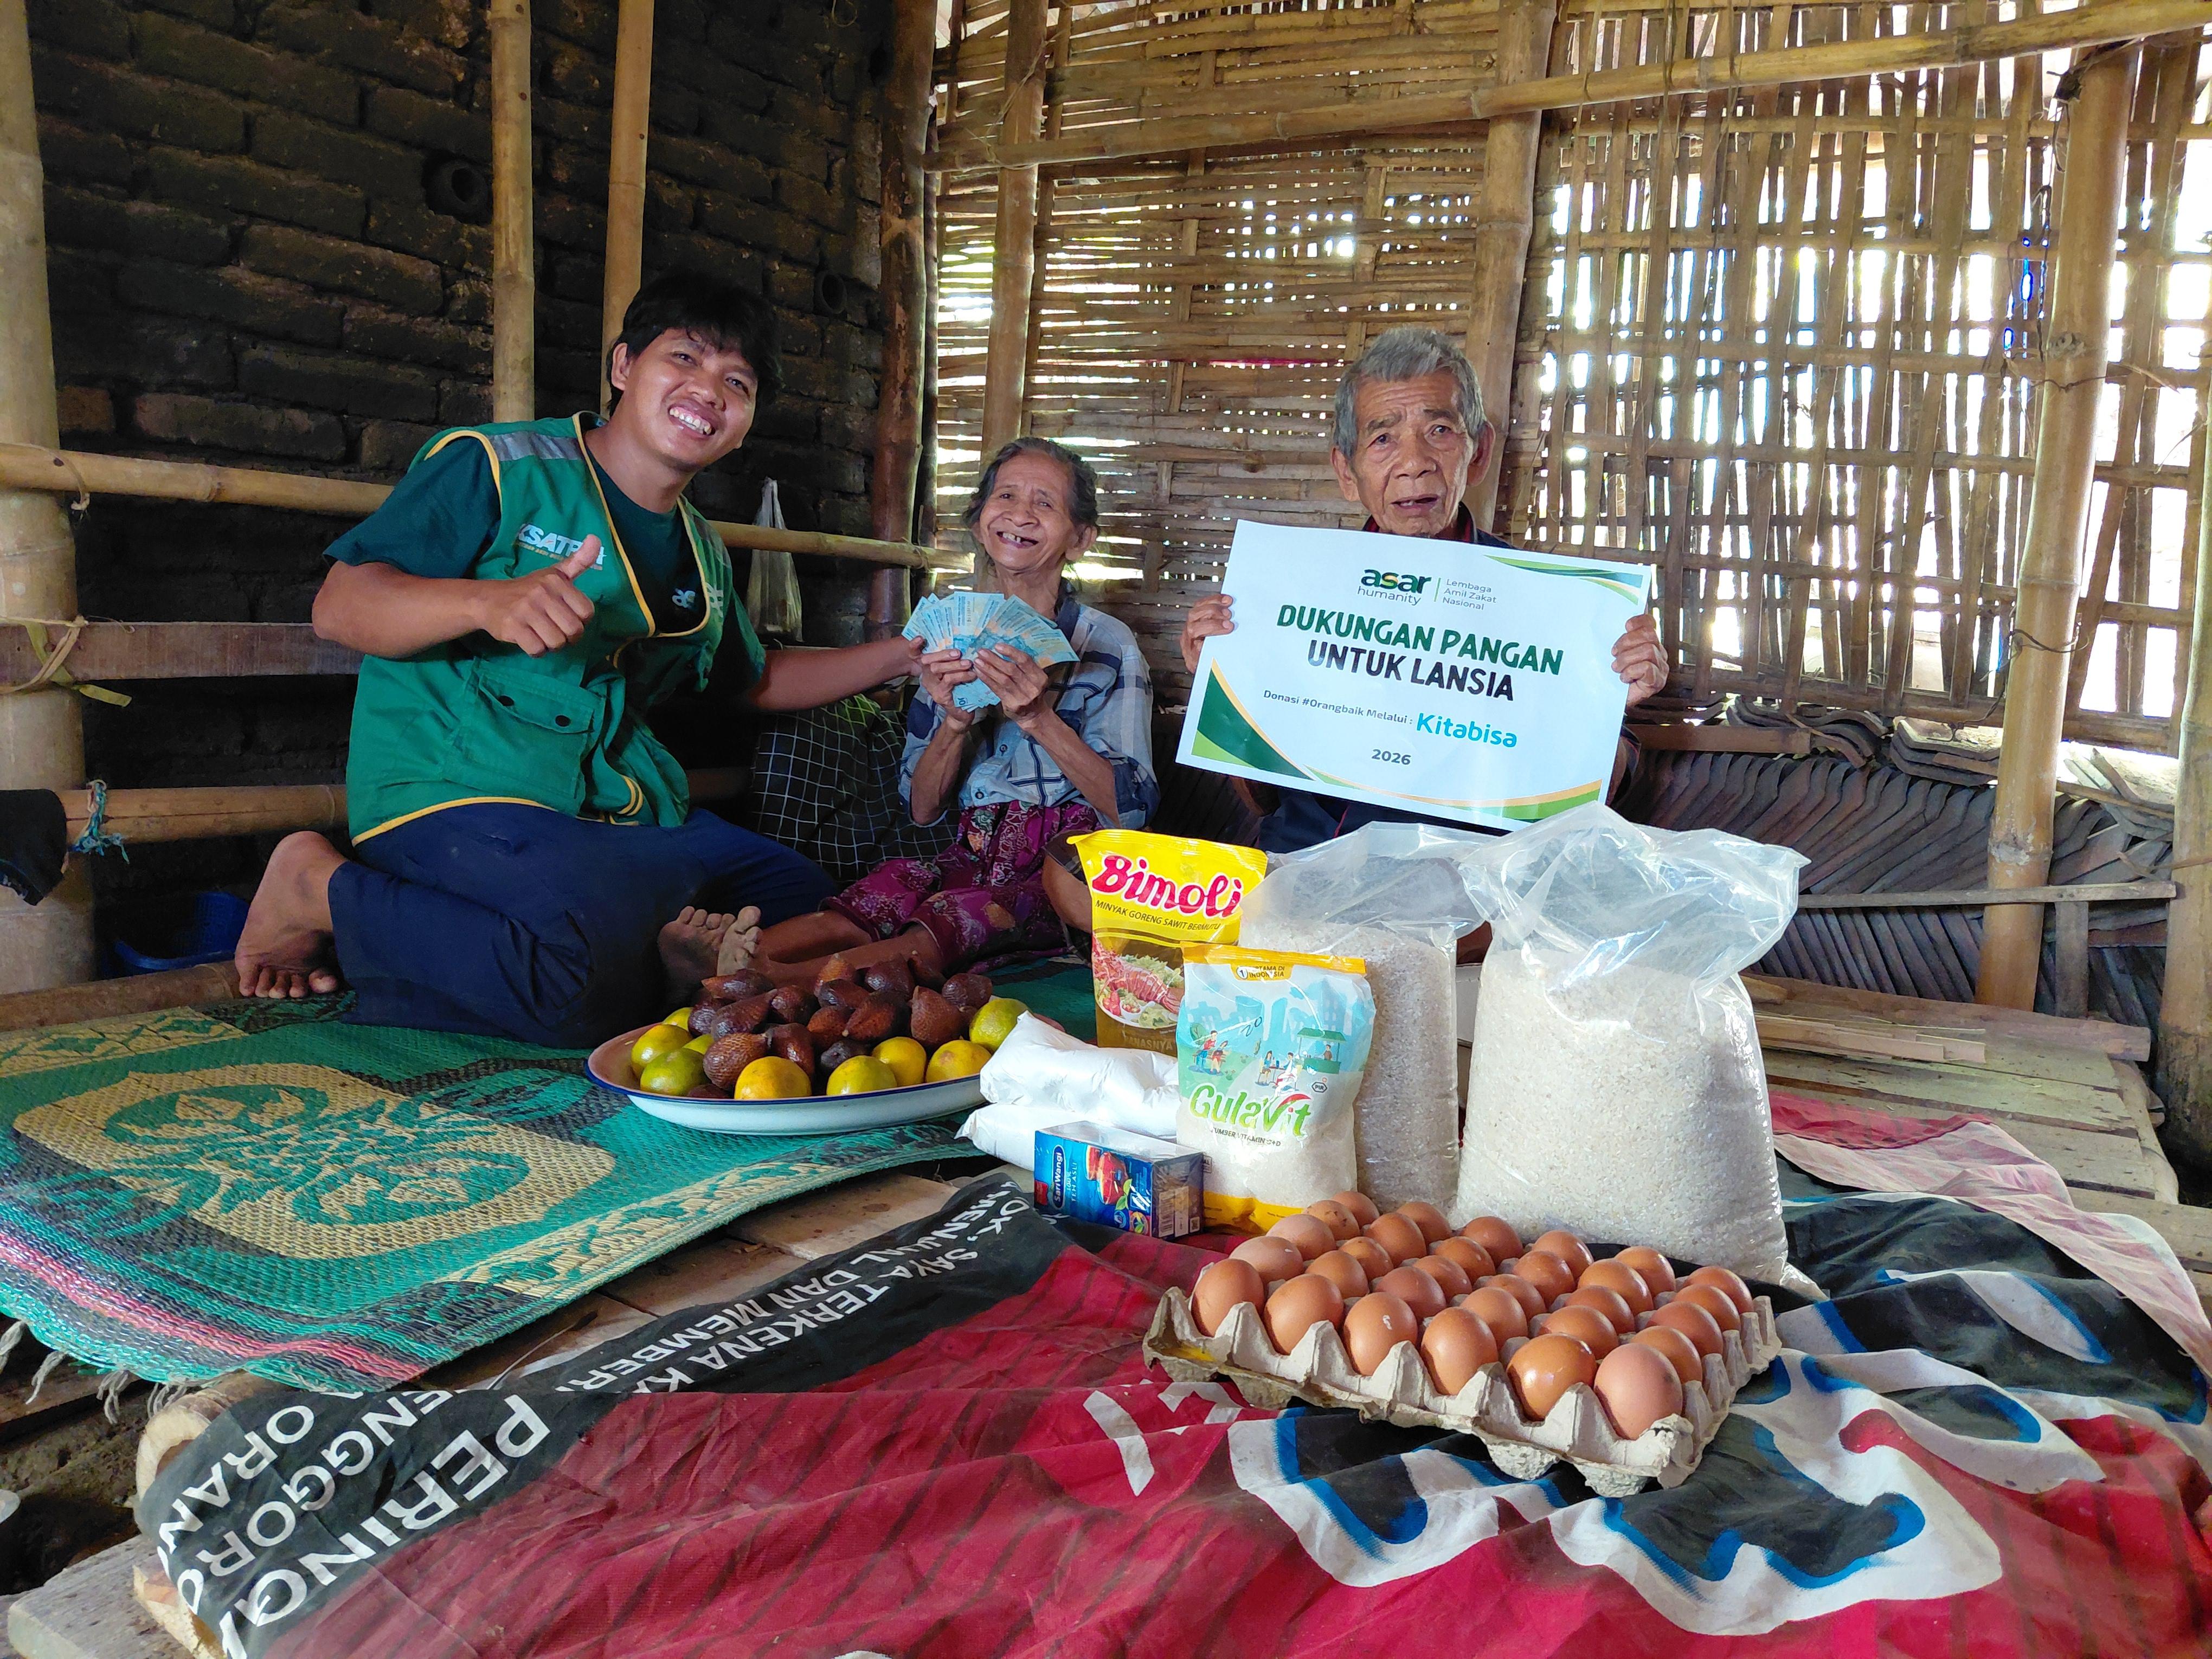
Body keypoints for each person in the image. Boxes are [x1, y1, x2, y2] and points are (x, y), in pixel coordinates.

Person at [233, 272, 924, 1047]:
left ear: (745, 422)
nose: (708, 390)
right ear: (624, 366)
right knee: (580, 974)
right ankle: (317, 889)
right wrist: (486, 603)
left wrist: (910, 654)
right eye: (684, 359)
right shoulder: (499, 466)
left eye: (737, 381)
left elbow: (754, 680)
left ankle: (656, 969)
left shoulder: (701, 551)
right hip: (455, 793)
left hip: (618, 814)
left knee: (806, 899)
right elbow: (341, 606)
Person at [1179, 325, 1668, 854]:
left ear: (1478, 453)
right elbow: (1262, 801)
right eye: (1383, 438)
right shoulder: (1290, 599)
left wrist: (1605, 700)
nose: (1414, 463)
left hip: (1472, 901)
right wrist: (1223, 682)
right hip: (1304, 878)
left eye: (1439, 431)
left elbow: (1590, 801)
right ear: (1347, 471)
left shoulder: (1550, 609)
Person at [750, 438, 1157, 986]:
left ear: (1080, 538)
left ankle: (764, 987)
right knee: (877, 897)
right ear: (980, 519)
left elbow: (1131, 811)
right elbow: (921, 810)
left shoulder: (1109, 646)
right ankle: (722, 963)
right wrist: (955, 723)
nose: (1019, 513)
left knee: (942, 926)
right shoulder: (946, 638)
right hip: (970, 850)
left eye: (1044, 503)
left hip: (1064, 874)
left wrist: (1038, 717)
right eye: (1006, 495)